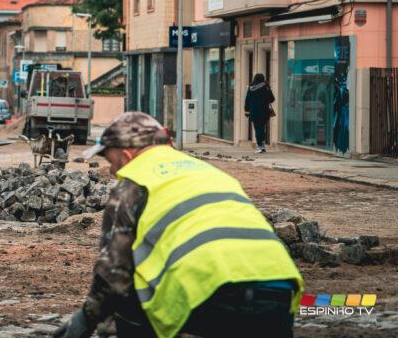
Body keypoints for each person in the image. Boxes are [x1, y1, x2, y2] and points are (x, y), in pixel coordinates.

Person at [55, 112, 302, 338]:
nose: (112, 171)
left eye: (113, 162)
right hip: (280, 288)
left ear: (128, 154)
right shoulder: (209, 172)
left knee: (130, 303)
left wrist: (85, 320)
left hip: (211, 294)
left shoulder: (134, 184)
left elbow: (114, 275)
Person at [244, 73, 275, 153]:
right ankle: (262, 146)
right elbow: (272, 99)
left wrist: (247, 111)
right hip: (264, 111)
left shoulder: (251, 88)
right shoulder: (266, 87)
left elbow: (247, 100)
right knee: (262, 128)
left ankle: (260, 146)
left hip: (254, 111)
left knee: (257, 129)